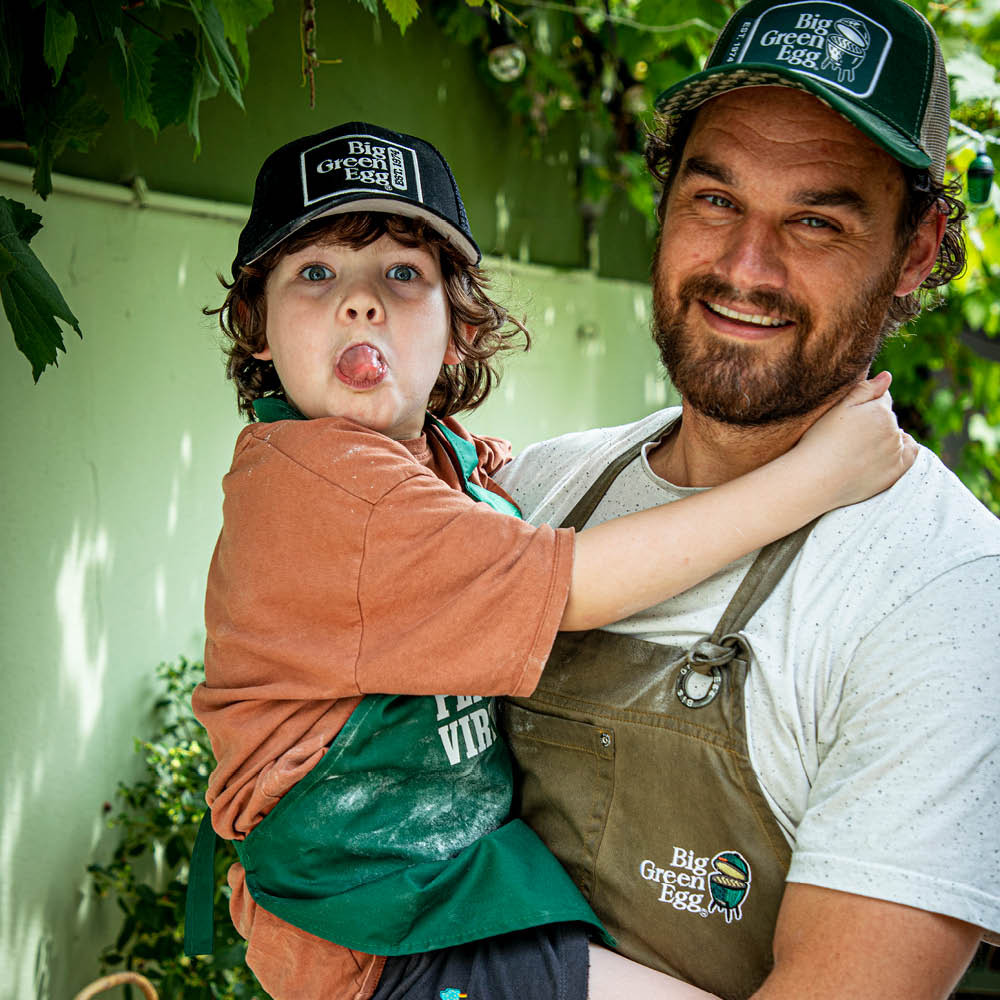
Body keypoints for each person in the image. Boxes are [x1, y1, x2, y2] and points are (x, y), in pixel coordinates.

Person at [185, 120, 913, 1000]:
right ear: (257, 326)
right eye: (315, 273)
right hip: (382, 929)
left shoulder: (430, 464)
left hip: (426, 898)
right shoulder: (321, 489)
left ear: (458, 329)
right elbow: (577, 583)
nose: (361, 302)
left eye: (403, 274)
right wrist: (817, 476)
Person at [494, 1, 1000, 999]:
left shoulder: (946, 597)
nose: (743, 268)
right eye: (715, 199)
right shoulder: (537, 488)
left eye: (816, 221)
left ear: (916, 248)